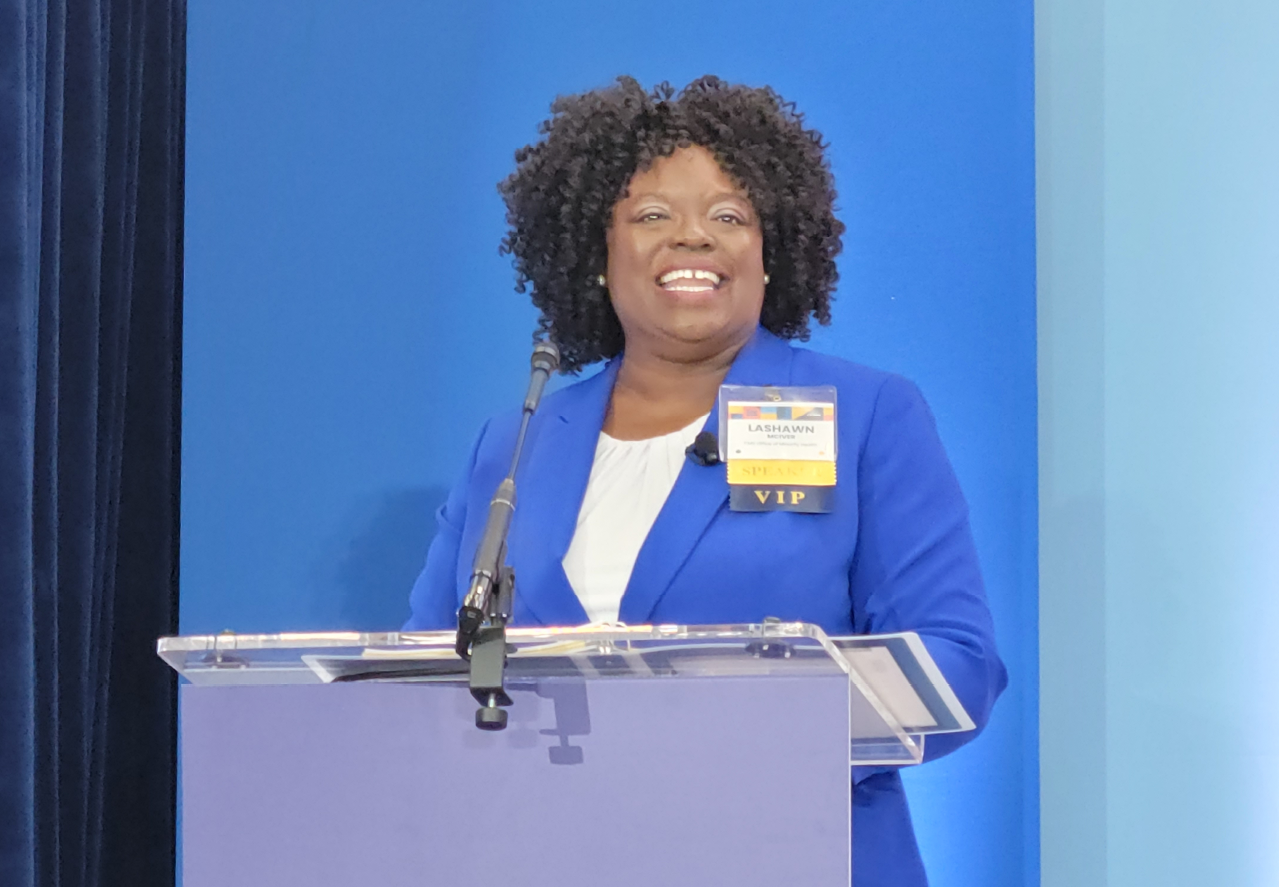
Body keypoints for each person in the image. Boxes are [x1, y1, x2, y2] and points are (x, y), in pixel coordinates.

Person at [404, 75, 1006, 887]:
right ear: (596, 252)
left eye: (729, 216)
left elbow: (954, 665)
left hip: (791, 856)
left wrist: (749, 722)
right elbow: (419, 672)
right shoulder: (516, 444)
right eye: (652, 215)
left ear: (770, 255)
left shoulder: (863, 414)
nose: (692, 236)